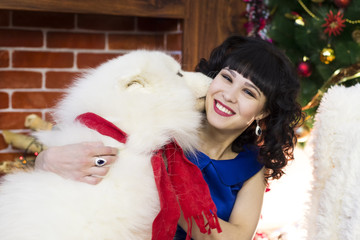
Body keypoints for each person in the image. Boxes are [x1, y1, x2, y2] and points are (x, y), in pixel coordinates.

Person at [35, 35, 304, 240]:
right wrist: (46, 159)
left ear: (263, 111)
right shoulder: (164, 127)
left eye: (249, 93)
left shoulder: (250, 167)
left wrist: (165, 193)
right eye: (226, 78)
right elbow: (94, 147)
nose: (229, 95)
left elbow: (237, 236)